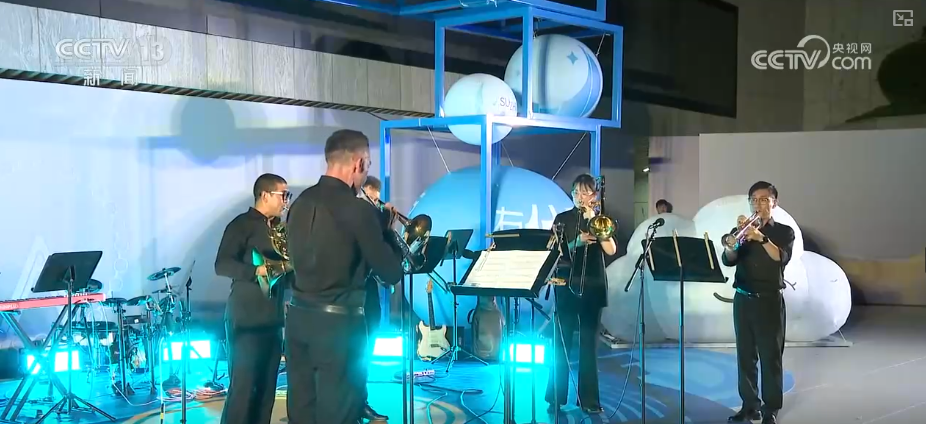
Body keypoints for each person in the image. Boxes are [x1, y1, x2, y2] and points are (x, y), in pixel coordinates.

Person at [285, 129, 405, 424]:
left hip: (297, 321)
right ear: (358, 163)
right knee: (339, 412)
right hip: (339, 326)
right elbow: (390, 272)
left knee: (302, 410)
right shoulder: (358, 210)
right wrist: (387, 231)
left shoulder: (299, 203)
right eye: (368, 164)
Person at [215, 173, 291, 424]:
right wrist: (257, 270)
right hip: (246, 320)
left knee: (267, 390)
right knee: (244, 389)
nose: (285, 201)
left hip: (272, 320)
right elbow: (222, 264)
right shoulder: (241, 225)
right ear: (265, 195)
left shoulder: (279, 229)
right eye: (282, 195)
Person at [722, 181, 795, 424]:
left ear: (774, 203)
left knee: (770, 358)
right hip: (743, 299)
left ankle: (770, 408)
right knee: (745, 356)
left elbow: (780, 258)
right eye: (754, 200)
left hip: (769, 301)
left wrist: (761, 238)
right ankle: (749, 406)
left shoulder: (784, 232)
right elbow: (728, 259)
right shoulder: (742, 230)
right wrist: (736, 242)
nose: (758, 204)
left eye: (764, 199)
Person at [546, 173, 618, 414]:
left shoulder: (601, 219)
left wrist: (593, 220)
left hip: (593, 287)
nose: (580, 197)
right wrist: (575, 242)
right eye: (576, 192)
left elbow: (611, 249)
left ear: (594, 195)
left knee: (589, 347)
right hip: (566, 285)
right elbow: (553, 251)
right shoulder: (562, 219)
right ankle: (555, 397)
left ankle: (589, 400)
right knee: (561, 344)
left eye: (585, 193)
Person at [355, 175, 393, 421]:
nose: (377, 199)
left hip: (369, 289)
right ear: (365, 190)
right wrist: (385, 220)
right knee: (356, 351)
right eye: (374, 195)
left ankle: (361, 400)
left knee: (367, 349)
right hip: (353, 293)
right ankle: (354, 402)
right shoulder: (359, 213)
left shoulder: (374, 215)